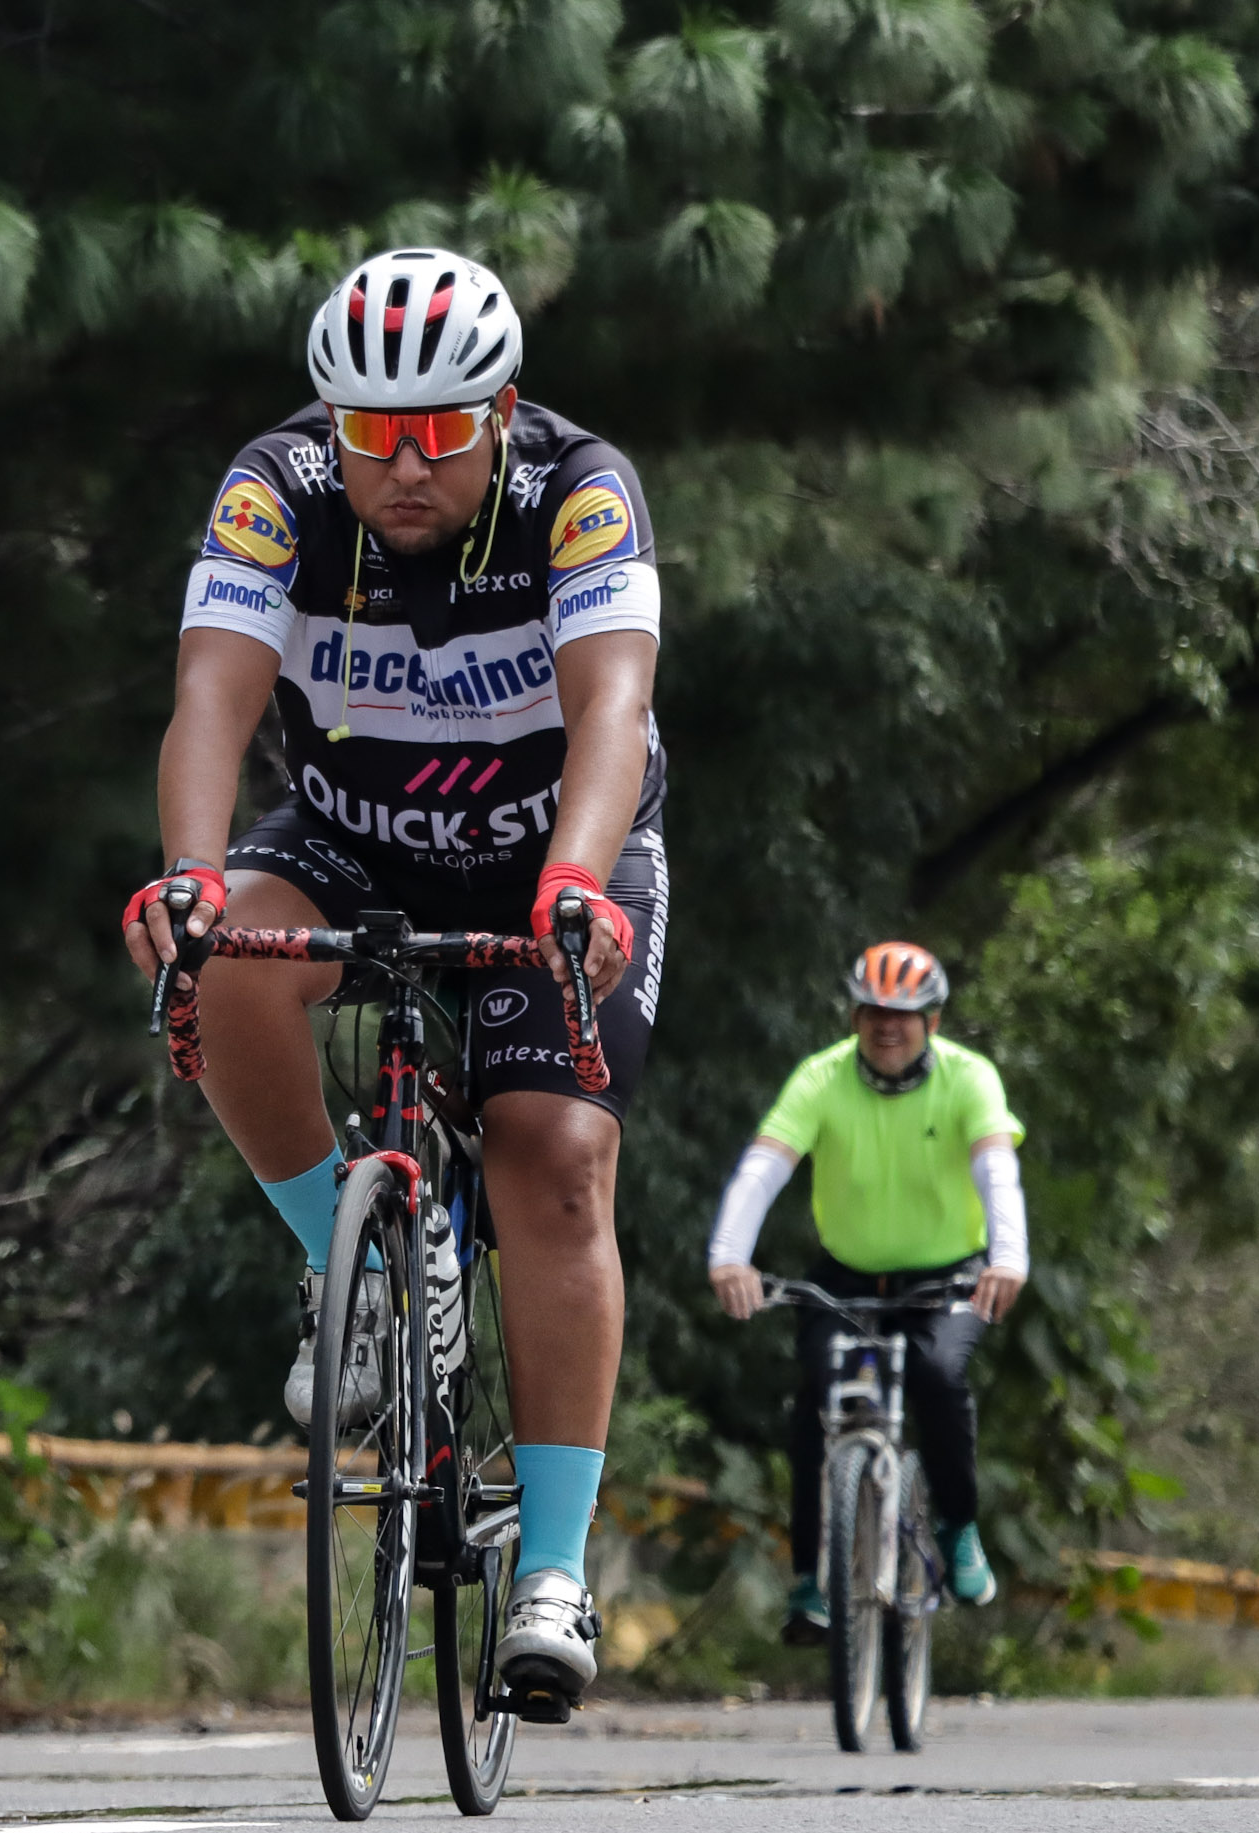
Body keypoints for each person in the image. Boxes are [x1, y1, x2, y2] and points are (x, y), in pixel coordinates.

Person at [122, 247, 668, 1713]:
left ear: (501, 413)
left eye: (440, 430)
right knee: (227, 956)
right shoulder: (278, 489)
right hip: (354, 834)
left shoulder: (578, 487)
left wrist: (573, 883)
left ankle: (549, 1573)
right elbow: (212, 695)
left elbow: (614, 699)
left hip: (551, 851)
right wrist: (184, 874)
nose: (407, 464)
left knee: (550, 1156)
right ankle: (352, 1261)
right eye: (373, 432)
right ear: (331, 424)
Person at [704, 942, 1027, 1639]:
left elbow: (996, 1174)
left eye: (905, 1015)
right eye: (875, 1011)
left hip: (951, 1274)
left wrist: (1009, 1258)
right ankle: (810, 1582)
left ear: (932, 1022)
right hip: (846, 1275)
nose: (889, 1026)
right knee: (818, 1393)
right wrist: (730, 1257)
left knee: (940, 1374)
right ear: (854, 1015)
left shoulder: (970, 1079)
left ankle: (957, 1525)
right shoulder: (820, 1079)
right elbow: (764, 1169)